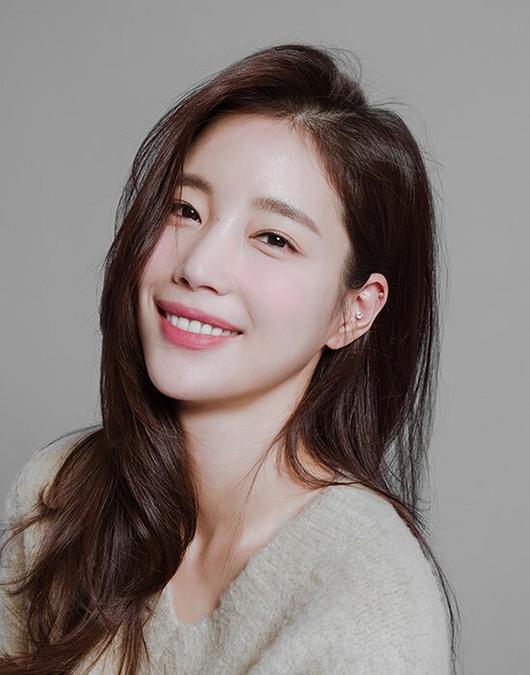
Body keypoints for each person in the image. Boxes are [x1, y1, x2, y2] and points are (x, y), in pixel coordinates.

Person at [0, 43, 460, 674]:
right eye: (185, 210)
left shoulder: (367, 596)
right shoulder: (60, 495)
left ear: (354, 310)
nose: (198, 266)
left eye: (274, 238)